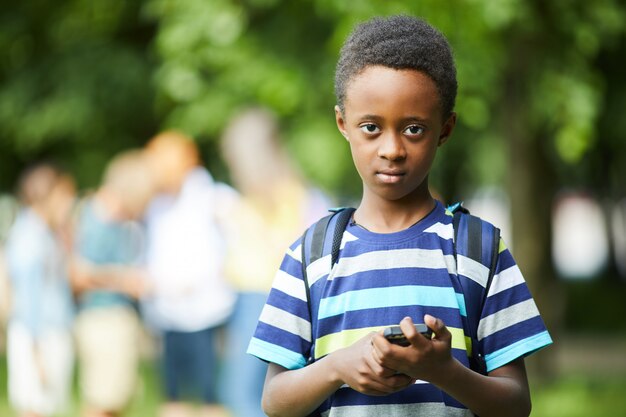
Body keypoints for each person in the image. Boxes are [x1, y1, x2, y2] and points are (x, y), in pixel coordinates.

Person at [247, 15, 553, 417]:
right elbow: (274, 401)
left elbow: (516, 404)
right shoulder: (312, 255)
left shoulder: (479, 250)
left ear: (445, 129)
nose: (391, 149)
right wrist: (337, 367)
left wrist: (445, 372)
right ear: (343, 123)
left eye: (413, 130)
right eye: (371, 127)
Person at [218, 107, 328, 417]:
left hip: (261, 297)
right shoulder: (297, 192)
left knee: (241, 393)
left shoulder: (278, 198)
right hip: (257, 297)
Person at [142, 131, 235, 417]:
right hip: (167, 312)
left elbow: (234, 244)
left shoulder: (214, 197)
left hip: (207, 310)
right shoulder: (156, 204)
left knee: (212, 395)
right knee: (172, 393)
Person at [72, 150, 155, 417]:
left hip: (115, 317)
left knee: (117, 398)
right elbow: (79, 274)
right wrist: (124, 279)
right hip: (102, 318)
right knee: (102, 400)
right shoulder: (94, 218)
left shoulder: (118, 222)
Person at [4, 163, 76, 417]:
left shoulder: (47, 233)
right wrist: (36, 353)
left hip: (50, 332)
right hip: (38, 336)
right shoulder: (29, 237)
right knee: (36, 408)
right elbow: (28, 297)